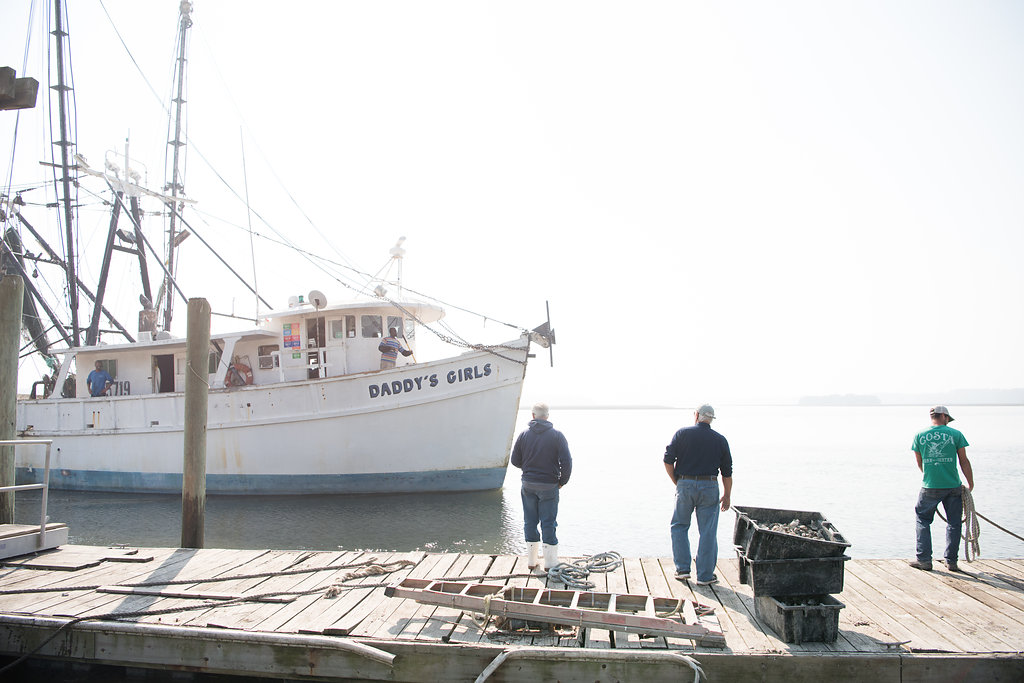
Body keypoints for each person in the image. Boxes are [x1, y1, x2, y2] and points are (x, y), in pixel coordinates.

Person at [663, 404, 733, 585]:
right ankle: (705, 575)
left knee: (679, 526)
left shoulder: (682, 434)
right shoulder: (720, 440)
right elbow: (727, 472)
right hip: (709, 486)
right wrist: (727, 495)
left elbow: (667, 460)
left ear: (696, 416)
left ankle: (683, 569)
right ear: (711, 419)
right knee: (708, 531)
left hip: (685, 484)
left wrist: (677, 482)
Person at [910, 406, 974, 572]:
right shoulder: (956, 434)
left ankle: (924, 560)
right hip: (953, 485)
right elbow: (964, 461)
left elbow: (920, 462)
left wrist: (930, 475)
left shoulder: (919, 435)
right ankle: (951, 561)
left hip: (930, 485)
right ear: (944, 416)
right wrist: (970, 482)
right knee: (954, 523)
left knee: (922, 519)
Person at [511, 402, 572, 572]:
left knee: (529, 521)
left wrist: (529, 468)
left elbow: (515, 461)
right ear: (547, 416)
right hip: (549, 486)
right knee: (548, 522)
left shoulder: (523, 435)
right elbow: (567, 462)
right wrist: (562, 481)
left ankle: (531, 561)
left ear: (533, 416)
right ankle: (550, 563)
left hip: (528, 484)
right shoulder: (557, 436)